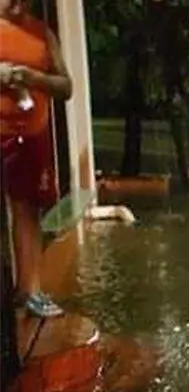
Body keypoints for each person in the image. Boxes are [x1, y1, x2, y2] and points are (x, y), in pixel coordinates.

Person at [0, 0, 72, 318]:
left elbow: (65, 86)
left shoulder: (43, 34)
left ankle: (30, 291)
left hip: (32, 134)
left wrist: (32, 78)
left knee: (28, 210)